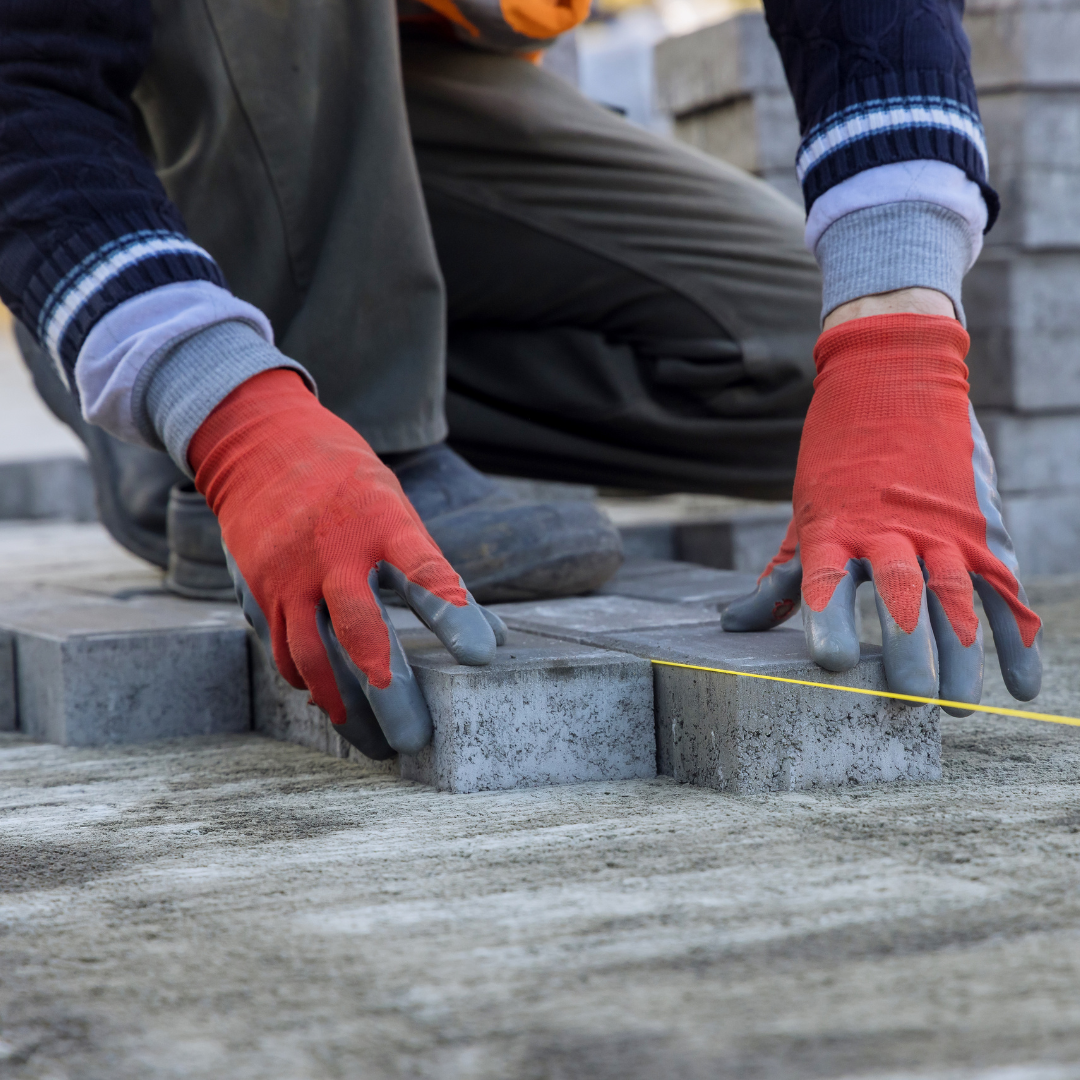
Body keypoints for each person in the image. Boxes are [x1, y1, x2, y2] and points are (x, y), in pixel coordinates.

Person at [0, 0, 1040, 757]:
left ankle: (304, 416)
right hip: (175, 91)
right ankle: (234, 405)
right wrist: (228, 416)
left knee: (780, 362)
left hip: (415, 93)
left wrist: (895, 336)